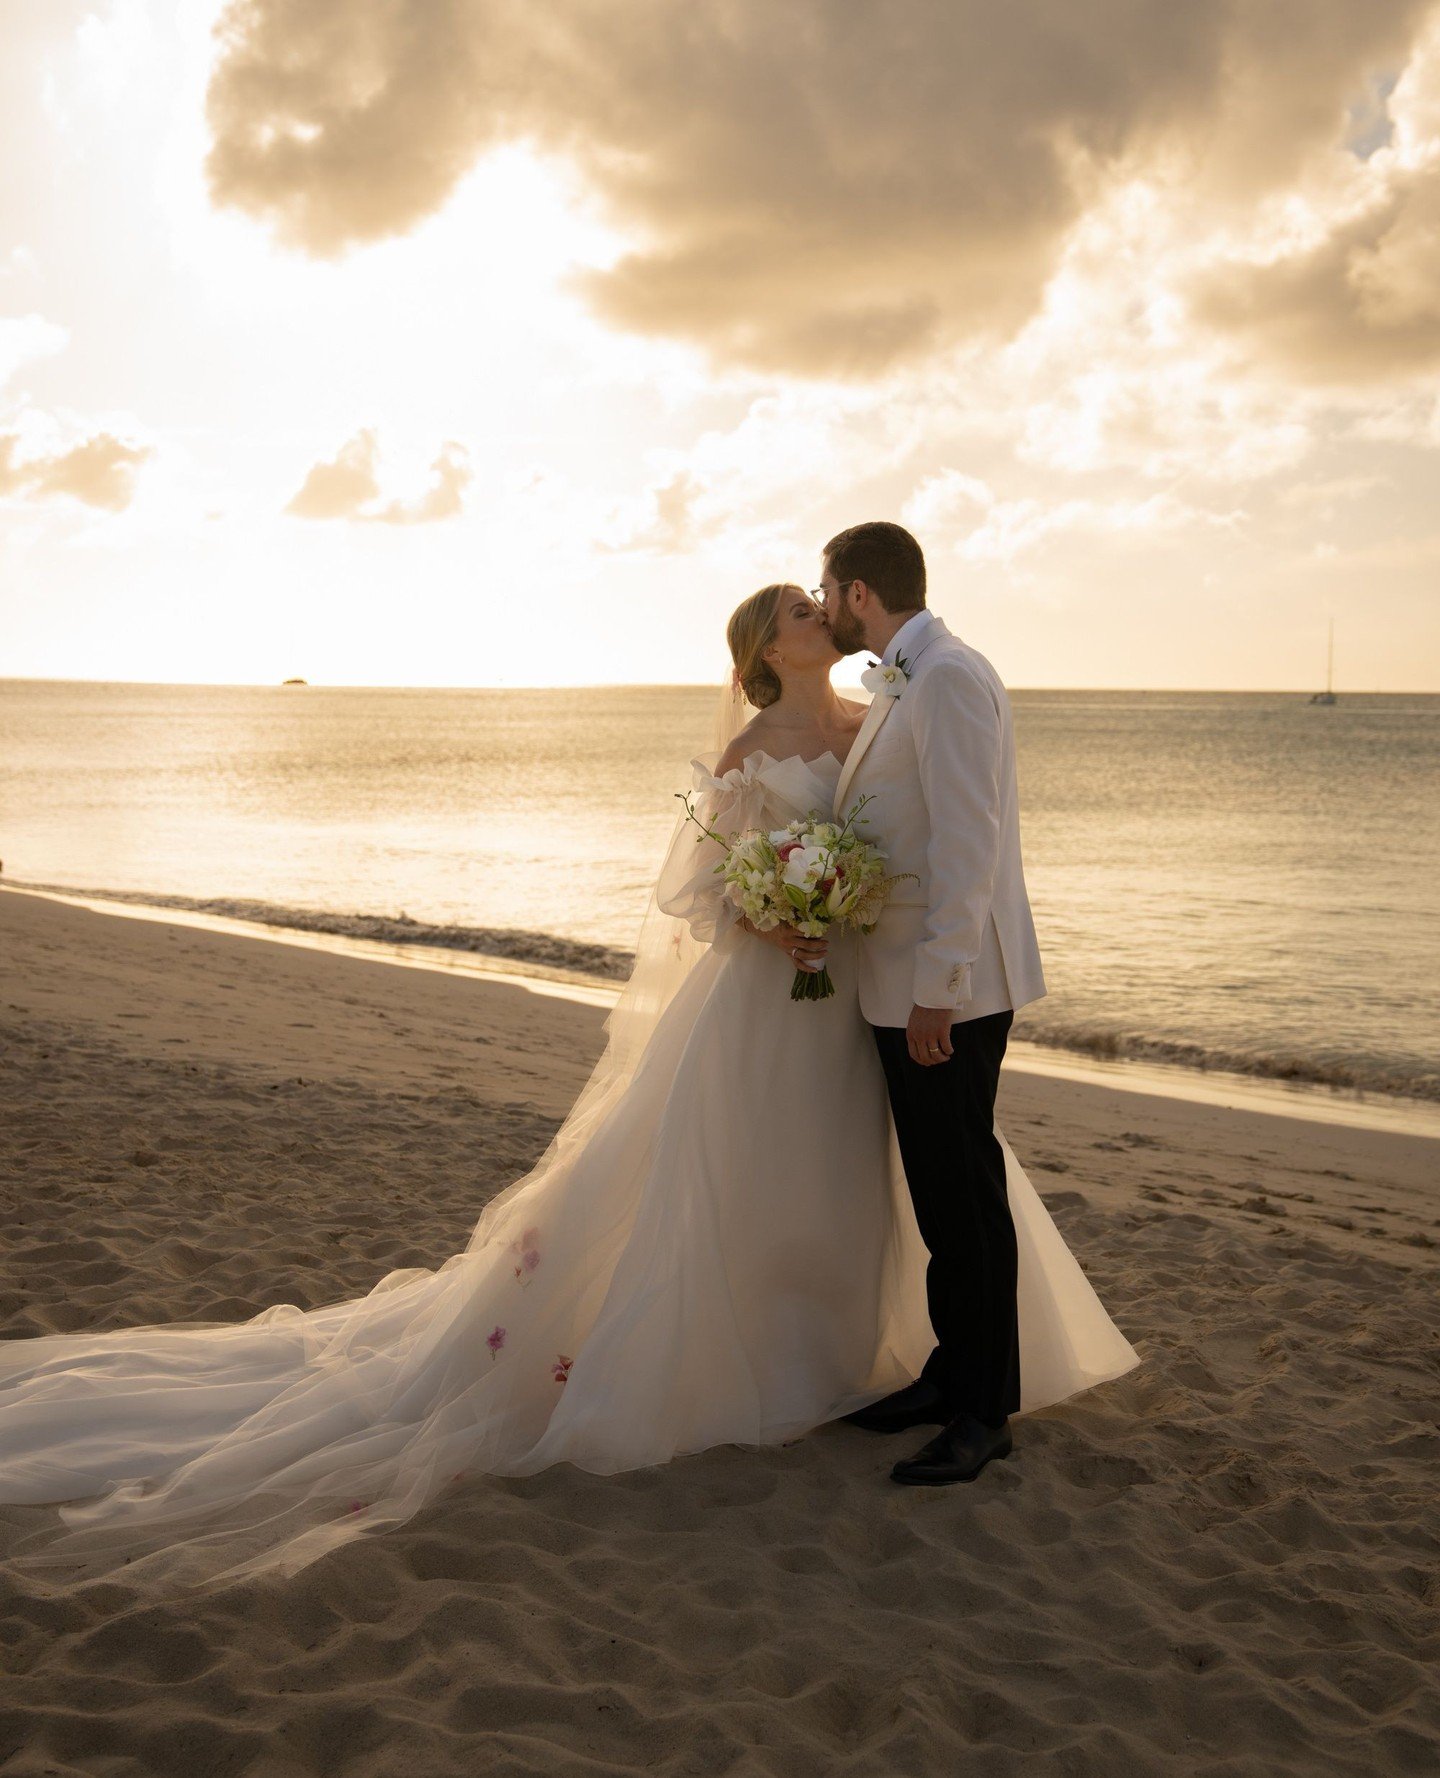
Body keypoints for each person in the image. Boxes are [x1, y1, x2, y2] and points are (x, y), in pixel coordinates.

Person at [0, 579, 1137, 1595]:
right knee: (742, 1172)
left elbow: (920, 828)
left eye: (820, 599)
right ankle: (789, 1356)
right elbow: (703, 884)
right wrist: (778, 915)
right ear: (766, 647)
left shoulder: (875, 712)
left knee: (855, 1174)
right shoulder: (746, 752)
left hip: (859, 1001)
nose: (816, 616)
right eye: (798, 609)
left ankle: (875, 1355)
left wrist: (871, 930)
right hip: (771, 996)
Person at [818, 520, 1050, 1485]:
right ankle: (953, 1375)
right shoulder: (905, 677)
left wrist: (939, 993)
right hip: (907, 984)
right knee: (944, 1200)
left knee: (964, 1202)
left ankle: (984, 1412)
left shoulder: (949, 676)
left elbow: (969, 843)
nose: (824, 606)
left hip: (947, 992)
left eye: (827, 590)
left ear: (860, 593)